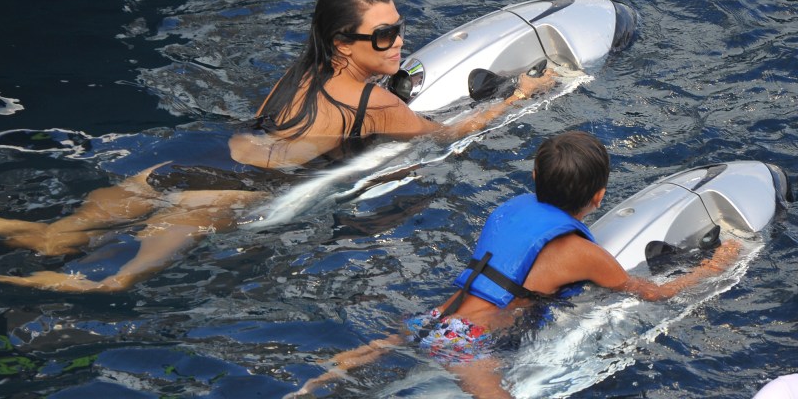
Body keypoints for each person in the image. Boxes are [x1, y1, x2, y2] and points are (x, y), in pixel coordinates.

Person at [0, 0, 554, 296]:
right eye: (386, 34)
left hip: (186, 163)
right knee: (111, 282)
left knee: (54, 234)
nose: (400, 42)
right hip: (230, 194)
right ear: (347, 44)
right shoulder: (374, 106)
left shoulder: (295, 73)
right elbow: (450, 130)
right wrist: (523, 94)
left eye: (400, 28)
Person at [283, 131, 742, 399]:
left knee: (371, 355)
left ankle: (308, 387)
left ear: (536, 178)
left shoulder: (510, 211)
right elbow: (654, 292)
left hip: (435, 319)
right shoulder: (584, 254)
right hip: (469, 344)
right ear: (599, 197)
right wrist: (718, 265)